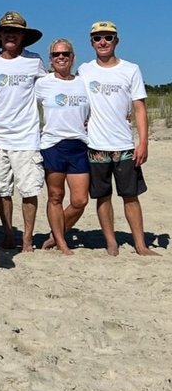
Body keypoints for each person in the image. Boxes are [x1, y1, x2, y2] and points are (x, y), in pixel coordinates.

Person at [78, 21, 158, 256]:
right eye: (97, 38)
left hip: (124, 145)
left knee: (130, 196)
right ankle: (111, 241)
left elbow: (139, 108)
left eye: (108, 37)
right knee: (103, 197)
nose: (102, 42)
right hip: (95, 145)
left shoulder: (130, 69)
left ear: (116, 41)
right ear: (91, 42)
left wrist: (143, 142)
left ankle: (140, 244)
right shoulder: (84, 70)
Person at [0, 11, 46, 252]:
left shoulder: (35, 61)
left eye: (15, 31)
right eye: (6, 31)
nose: (10, 35)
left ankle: (27, 238)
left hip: (27, 136)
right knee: (1, 191)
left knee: (29, 190)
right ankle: (8, 235)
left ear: (23, 36)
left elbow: (48, 92)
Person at [35, 38, 90, 255]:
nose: (61, 57)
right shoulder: (43, 83)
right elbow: (22, 104)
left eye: (65, 54)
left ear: (72, 57)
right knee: (55, 196)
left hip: (79, 145)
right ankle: (61, 241)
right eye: (56, 54)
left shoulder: (83, 82)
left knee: (79, 200)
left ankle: (56, 232)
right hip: (52, 145)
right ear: (50, 59)